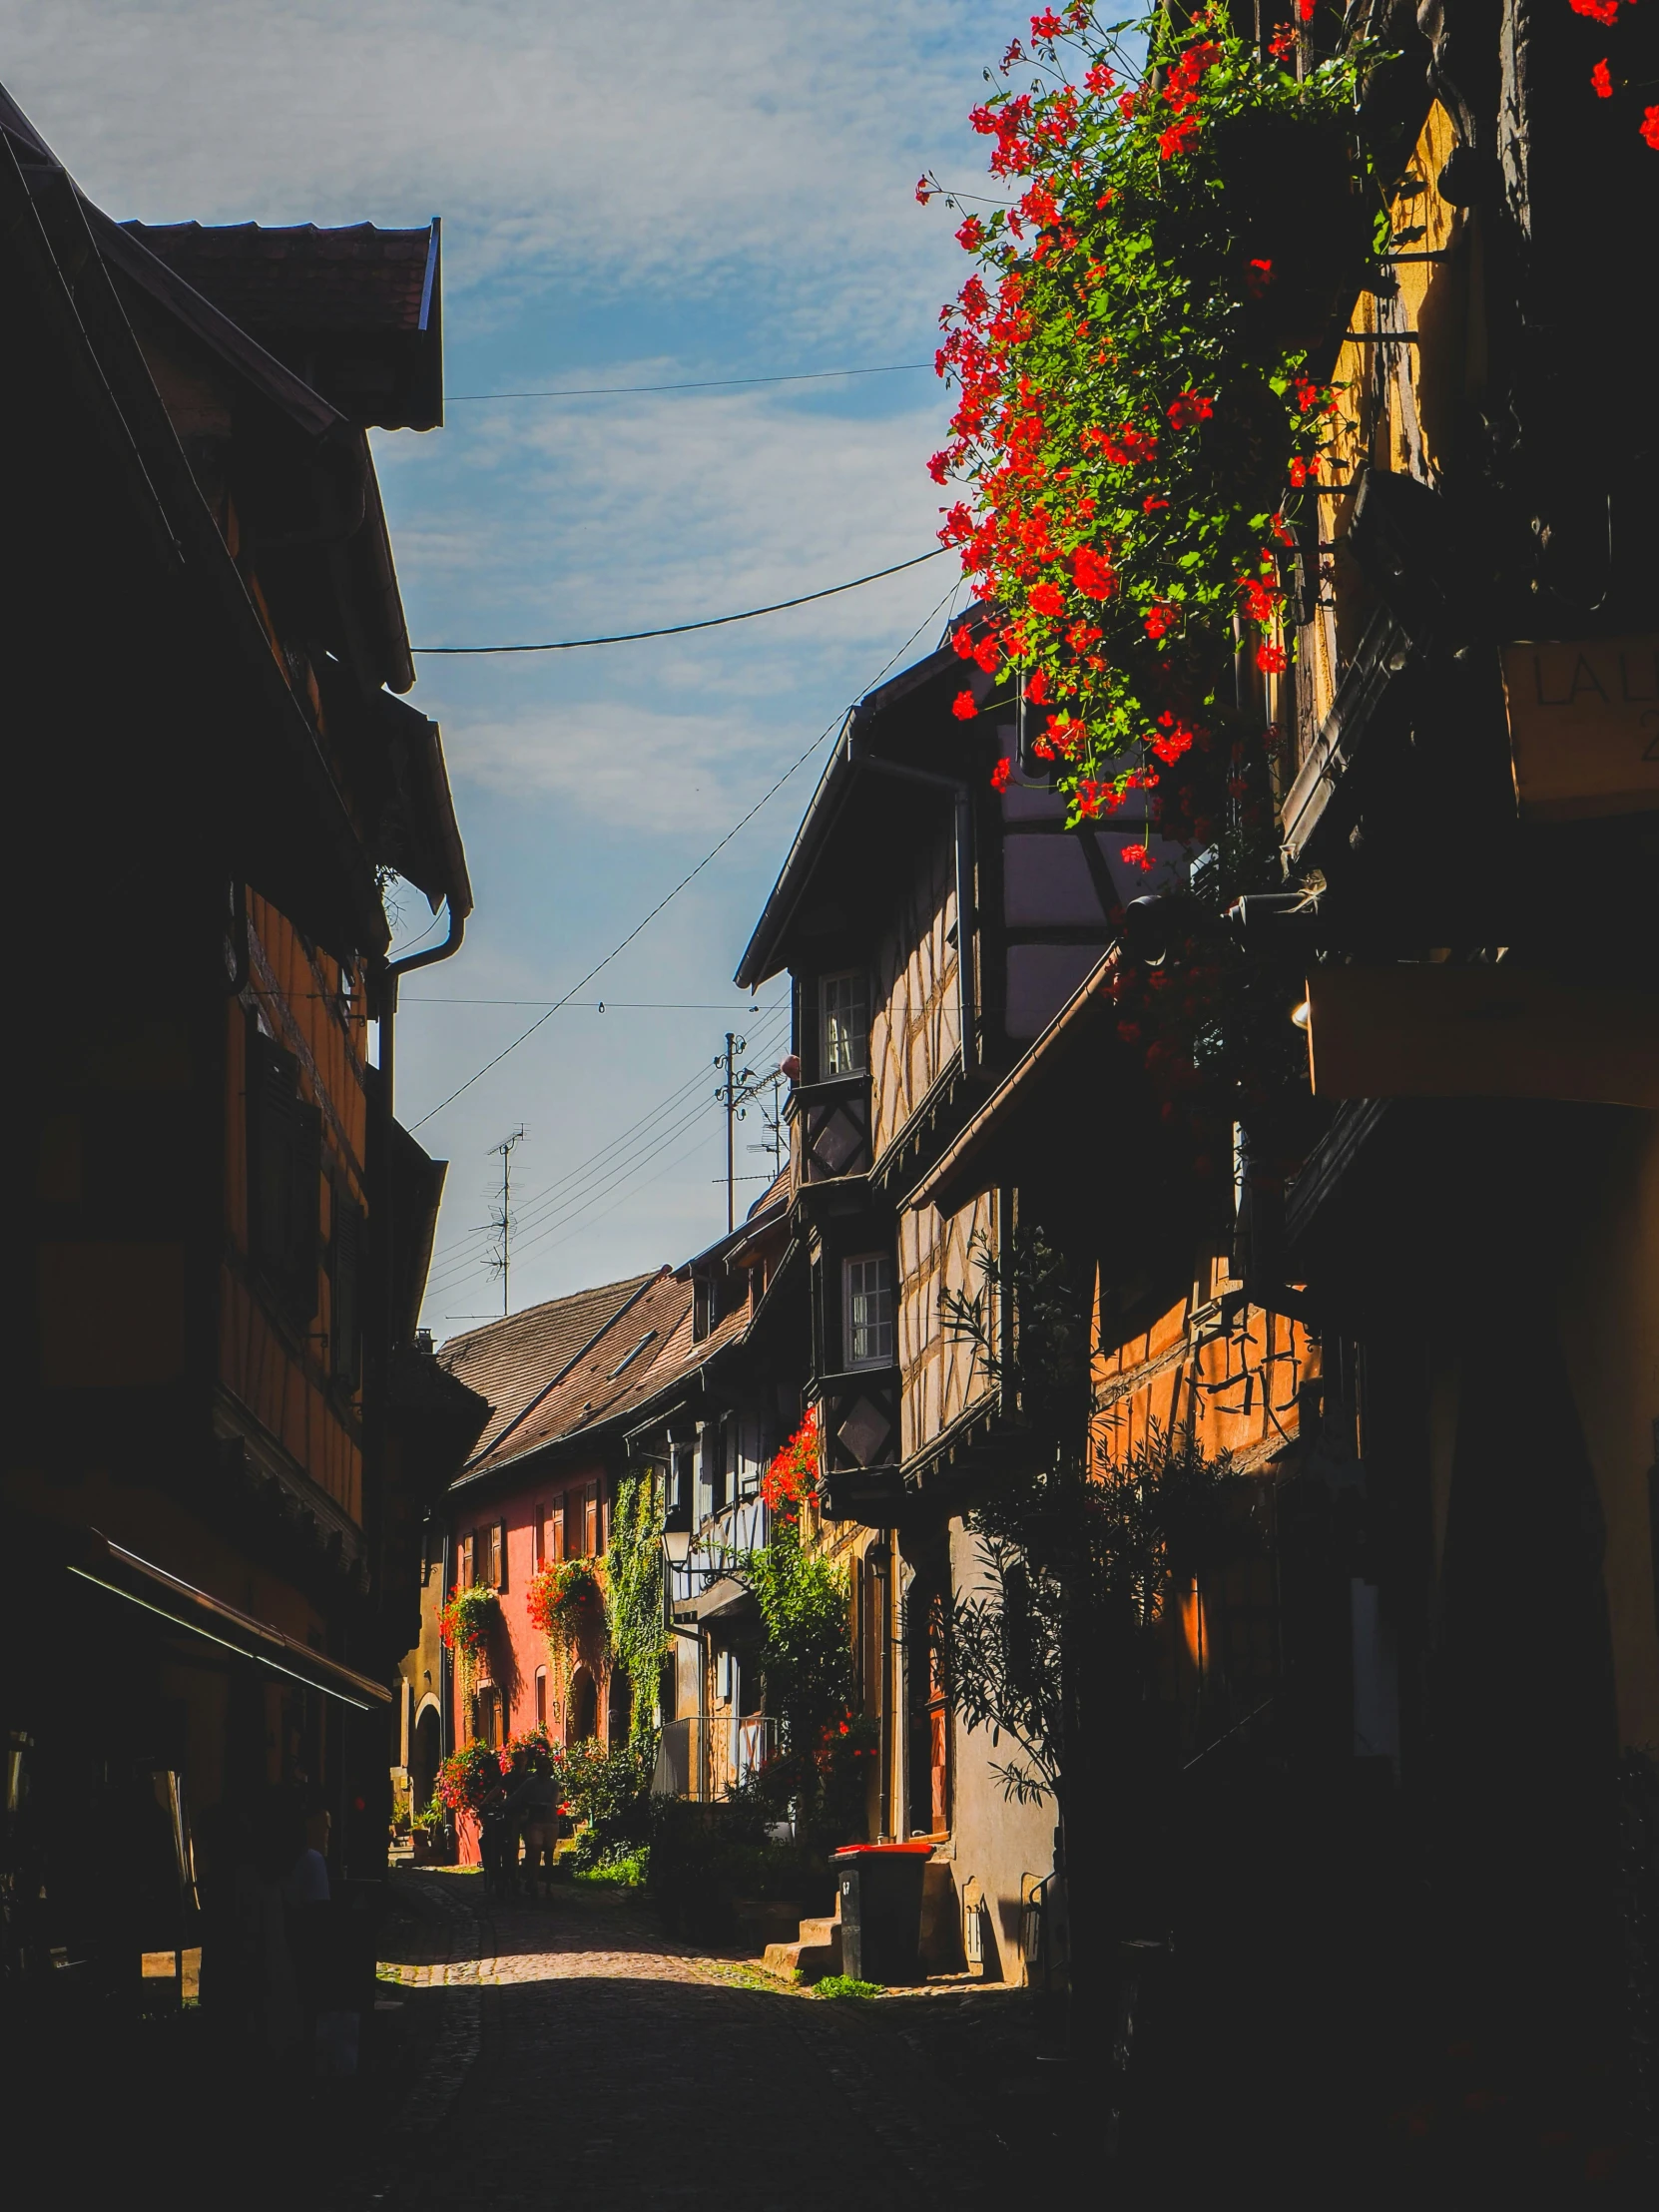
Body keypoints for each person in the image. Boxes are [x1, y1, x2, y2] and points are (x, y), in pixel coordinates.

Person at [507, 1751, 559, 1900]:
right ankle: (534, 1884)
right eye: (541, 1766)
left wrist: (536, 1804)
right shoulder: (530, 1783)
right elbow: (517, 1796)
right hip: (535, 1822)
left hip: (551, 1822)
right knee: (534, 1854)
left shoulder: (554, 1784)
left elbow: (552, 1802)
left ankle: (548, 1887)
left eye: (546, 1766)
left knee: (549, 1855)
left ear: (550, 1768)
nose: (544, 1769)